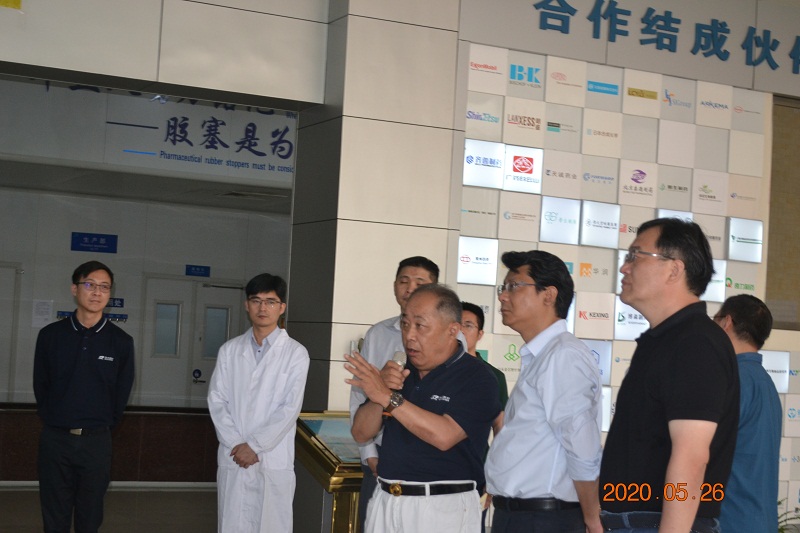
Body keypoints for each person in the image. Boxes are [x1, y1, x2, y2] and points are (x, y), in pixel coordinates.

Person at [599, 218, 739, 533]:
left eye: (635, 256)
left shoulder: (696, 343)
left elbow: (691, 459)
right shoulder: (665, 340)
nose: (624, 267)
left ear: (674, 269)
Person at [346, 284, 501, 533]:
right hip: (386, 499)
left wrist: (387, 397)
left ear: (452, 330)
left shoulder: (477, 377)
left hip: (442, 508)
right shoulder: (399, 370)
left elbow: (444, 435)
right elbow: (361, 433)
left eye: (420, 325)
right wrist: (378, 395)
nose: (409, 335)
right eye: (405, 324)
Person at [485, 250, 603, 533]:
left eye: (514, 286)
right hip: (520, 516)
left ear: (549, 295)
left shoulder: (563, 355)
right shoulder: (543, 354)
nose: (502, 297)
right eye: (503, 288)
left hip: (544, 519)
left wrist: (592, 518)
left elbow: (581, 446)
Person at [33, 260, 135, 533]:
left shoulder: (121, 342)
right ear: (74, 289)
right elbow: (41, 385)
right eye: (89, 284)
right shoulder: (50, 336)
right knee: (54, 516)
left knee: (90, 517)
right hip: (56, 440)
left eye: (104, 287)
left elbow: (121, 394)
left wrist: (99, 426)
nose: (97, 292)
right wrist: (56, 420)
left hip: (96, 443)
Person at [208, 273, 310, 533]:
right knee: (232, 523)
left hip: (272, 457)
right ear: (247, 305)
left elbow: (289, 409)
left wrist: (254, 446)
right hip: (234, 455)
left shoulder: (296, 354)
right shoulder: (230, 351)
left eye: (270, 301)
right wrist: (236, 443)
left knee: (271, 524)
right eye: (256, 300)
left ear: (282, 307)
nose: (262, 308)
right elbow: (217, 401)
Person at [348, 256, 440, 529]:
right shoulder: (378, 333)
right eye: (403, 281)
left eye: (419, 282)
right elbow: (358, 396)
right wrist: (368, 453)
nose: (410, 288)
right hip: (380, 453)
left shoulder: (449, 337)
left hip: (427, 454)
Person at [714, 295, 781, 532]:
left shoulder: (732, 380)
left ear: (726, 322)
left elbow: (699, 454)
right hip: (758, 520)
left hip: (731, 521)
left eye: (715, 319)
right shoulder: (765, 383)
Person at [461, 301, 508, 532]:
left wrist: (493, 477)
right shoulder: (433, 369)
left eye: (468, 325)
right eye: (457, 324)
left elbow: (501, 431)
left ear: (480, 334)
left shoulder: (493, 377)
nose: (461, 330)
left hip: (477, 473)